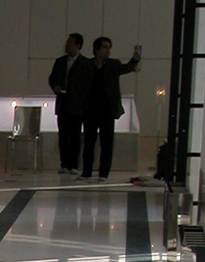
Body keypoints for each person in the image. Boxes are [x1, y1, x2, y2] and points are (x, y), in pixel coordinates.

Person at [79, 37, 140, 182]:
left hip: (107, 109)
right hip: (90, 109)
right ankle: (86, 172)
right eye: (105, 47)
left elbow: (126, 68)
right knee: (89, 142)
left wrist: (134, 60)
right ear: (97, 49)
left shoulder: (113, 64)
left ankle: (103, 173)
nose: (108, 50)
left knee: (107, 143)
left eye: (109, 48)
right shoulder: (87, 65)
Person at [48, 33, 91, 174]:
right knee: (63, 136)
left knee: (75, 136)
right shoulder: (60, 61)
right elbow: (52, 78)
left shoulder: (85, 63)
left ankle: (74, 164)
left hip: (77, 105)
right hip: (63, 103)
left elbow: (87, 84)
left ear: (77, 45)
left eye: (69, 43)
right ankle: (64, 163)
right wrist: (55, 87)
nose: (66, 46)